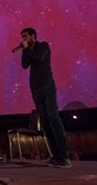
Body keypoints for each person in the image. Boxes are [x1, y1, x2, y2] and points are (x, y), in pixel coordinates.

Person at [19, 27, 71, 168]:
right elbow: (24, 65)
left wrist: (27, 49)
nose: (23, 38)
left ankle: (64, 156)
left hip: (47, 85)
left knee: (53, 116)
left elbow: (39, 57)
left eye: (25, 36)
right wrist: (24, 49)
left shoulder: (43, 46)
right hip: (35, 87)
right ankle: (56, 156)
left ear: (33, 36)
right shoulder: (27, 50)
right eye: (22, 36)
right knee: (45, 121)